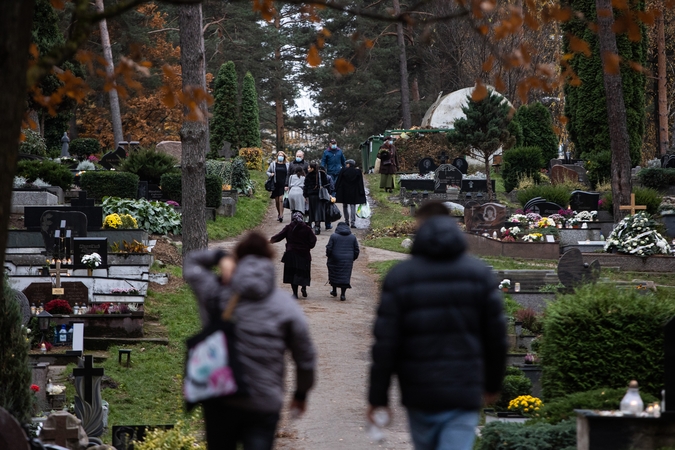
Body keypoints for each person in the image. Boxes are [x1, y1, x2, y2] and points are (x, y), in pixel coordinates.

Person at [366, 201, 507, 450]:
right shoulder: (478, 274)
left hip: (420, 390)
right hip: (464, 389)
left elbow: (386, 343)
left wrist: (378, 397)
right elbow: (496, 337)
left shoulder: (401, 277)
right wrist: (492, 384)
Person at [183, 233, 316, 450]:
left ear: (237, 259)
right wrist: (300, 394)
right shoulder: (286, 306)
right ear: (270, 259)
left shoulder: (216, 293)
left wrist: (219, 257)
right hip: (264, 401)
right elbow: (305, 358)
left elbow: (191, 262)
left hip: (220, 397)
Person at [270, 211, 317, 299]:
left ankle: (295, 294)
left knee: (292, 274)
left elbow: (279, 236)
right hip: (304, 254)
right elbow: (313, 240)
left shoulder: (289, 227)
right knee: (303, 272)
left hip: (291, 254)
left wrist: (271, 240)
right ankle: (304, 287)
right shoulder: (307, 229)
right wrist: (308, 247)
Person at [326, 222, 360, 301]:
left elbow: (329, 248)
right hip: (348, 259)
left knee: (334, 273)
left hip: (335, 258)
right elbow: (356, 250)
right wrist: (353, 258)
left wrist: (329, 256)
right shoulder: (352, 237)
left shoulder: (334, 236)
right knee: (345, 276)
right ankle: (343, 294)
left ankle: (334, 290)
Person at [321, 139, 345, 229]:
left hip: (338, 171)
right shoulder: (326, 152)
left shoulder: (339, 151)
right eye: (332, 143)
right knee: (331, 186)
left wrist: (344, 168)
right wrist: (322, 169)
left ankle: (335, 196)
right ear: (329, 144)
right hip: (330, 171)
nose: (334, 145)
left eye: (335, 143)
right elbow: (323, 162)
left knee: (337, 185)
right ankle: (332, 197)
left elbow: (343, 160)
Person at [335, 159, 367, 229]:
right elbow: (360, 183)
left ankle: (346, 221)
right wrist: (361, 192)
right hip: (354, 192)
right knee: (353, 206)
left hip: (344, 191)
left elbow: (339, 180)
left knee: (345, 206)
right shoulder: (357, 172)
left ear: (349, 164)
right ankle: (353, 222)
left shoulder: (343, 170)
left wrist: (336, 189)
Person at [304, 162, 329, 235]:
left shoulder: (308, 176)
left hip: (311, 196)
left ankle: (313, 224)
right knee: (319, 211)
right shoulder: (322, 174)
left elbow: (305, 186)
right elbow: (326, 184)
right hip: (320, 196)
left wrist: (305, 195)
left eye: (309, 168)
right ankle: (318, 226)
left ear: (312, 168)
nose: (308, 169)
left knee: (312, 211)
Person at [267, 151, 289, 222]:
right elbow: (268, 171)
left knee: (281, 200)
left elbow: (289, 174)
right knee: (276, 201)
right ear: (277, 156)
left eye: (282, 155)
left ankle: (281, 215)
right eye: (279, 155)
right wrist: (271, 174)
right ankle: (279, 213)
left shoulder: (287, 165)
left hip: (283, 185)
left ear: (284, 157)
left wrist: (287, 184)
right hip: (275, 184)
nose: (280, 157)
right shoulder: (273, 164)